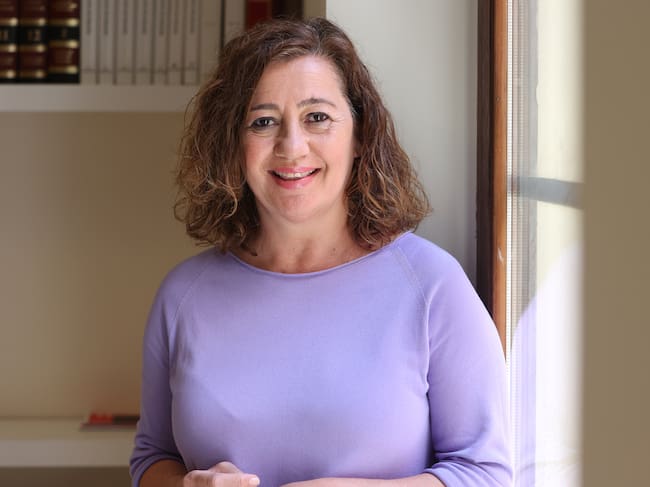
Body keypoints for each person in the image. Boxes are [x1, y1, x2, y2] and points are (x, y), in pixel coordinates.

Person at [130, 17, 512, 487]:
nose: (292, 147)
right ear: (233, 144)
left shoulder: (433, 286)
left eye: (317, 117)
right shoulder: (181, 295)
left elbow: (485, 473)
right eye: (263, 121)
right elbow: (152, 457)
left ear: (360, 135)